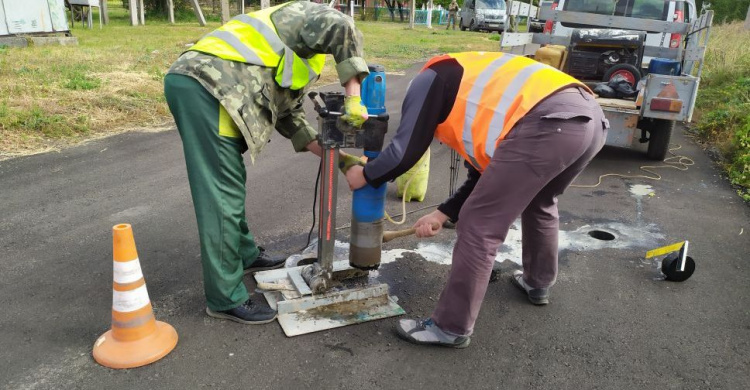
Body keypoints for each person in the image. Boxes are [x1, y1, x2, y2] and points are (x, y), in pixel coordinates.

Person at [345, 51, 608, 348]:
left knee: (479, 225)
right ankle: (537, 283)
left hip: (548, 123)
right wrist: (441, 214)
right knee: (541, 202)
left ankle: (450, 327)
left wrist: (366, 175)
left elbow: (405, 151)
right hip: (591, 120)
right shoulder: (472, 86)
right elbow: (481, 179)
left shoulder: (429, 80)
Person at [164, 1, 369, 325]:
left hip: (213, 86)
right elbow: (341, 25)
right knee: (221, 195)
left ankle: (245, 254)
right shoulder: (300, 16)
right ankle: (225, 298)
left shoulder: (301, 55)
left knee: (230, 182)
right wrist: (354, 96)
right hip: (208, 85)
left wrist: (343, 163)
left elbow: (293, 121)